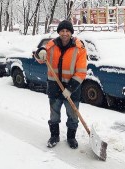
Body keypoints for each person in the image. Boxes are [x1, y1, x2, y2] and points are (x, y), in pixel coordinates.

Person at [35, 20, 87, 149]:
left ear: (71, 33)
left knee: (73, 116)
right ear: (59, 32)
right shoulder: (52, 45)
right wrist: (39, 52)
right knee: (54, 115)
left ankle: (71, 138)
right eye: (62, 31)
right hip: (54, 87)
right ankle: (54, 136)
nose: (65, 33)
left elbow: (81, 72)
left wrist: (69, 89)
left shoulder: (79, 48)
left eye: (67, 31)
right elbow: (40, 57)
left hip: (72, 88)